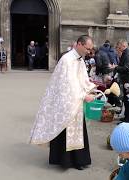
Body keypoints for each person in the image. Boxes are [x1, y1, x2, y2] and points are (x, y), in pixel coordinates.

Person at [29, 35, 96, 170]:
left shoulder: (80, 60)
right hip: (65, 103)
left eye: (90, 49)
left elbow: (81, 78)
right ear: (79, 44)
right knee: (65, 130)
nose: (89, 52)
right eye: (87, 49)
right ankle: (65, 161)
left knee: (77, 131)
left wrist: (90, 88)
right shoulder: (66, 60)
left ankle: (78, 160)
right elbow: (68, 84)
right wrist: (84, 95)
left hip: (75, 102)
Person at [112, 39, 129, 122]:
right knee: (125, 99)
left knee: (127, 100)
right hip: (126, 79)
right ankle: (126, 117)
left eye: (119, 47)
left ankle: (127, 119)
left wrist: (116, 67)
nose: (118, 48)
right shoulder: (126, 53)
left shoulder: (127, 54)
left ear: (123, 46)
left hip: (127, 80)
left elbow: (127, 68)